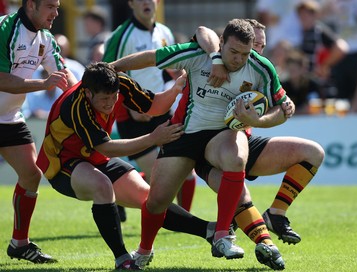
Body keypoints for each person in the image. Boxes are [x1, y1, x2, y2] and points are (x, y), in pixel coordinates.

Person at [111, 19, 288, 270]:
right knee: (156, 201)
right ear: (221, 43)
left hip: (222, 135)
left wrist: (258, 119)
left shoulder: (261, 68)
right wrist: (112, 67)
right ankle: (144, 250)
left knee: (236, 159)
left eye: (245, 54)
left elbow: (283, 108)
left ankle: (222, 235)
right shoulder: (199, 55)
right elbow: (153, 57)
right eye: (233, 52)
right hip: (184, 134)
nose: (239, 59)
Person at [35, 62, 219, 270]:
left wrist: (176, 89)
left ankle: (209, 230)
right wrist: (153, 138)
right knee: (102, 186)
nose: (111, 103)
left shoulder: (119, 83)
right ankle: (123, 259)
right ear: (87, 93)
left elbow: (154, 105)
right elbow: (107, 148)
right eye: (104, 98)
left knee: (150, 200)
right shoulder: (76, 104)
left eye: (113, 97)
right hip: (61, 164)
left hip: (94, 157)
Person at [194, 18, 323, 249]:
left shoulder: (259, 70)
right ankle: (265, 245)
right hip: (206, 152)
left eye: (262, 46)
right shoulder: (212, 62)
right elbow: (204, 30)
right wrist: (215, 58)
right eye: (254, 45)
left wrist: (281, 107)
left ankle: (276, 214)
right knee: (240, 194)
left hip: (243, 143)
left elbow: (282, 104)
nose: (258, 51)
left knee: (313, 152)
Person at [0, 0, 78, 264]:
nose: (56, 13)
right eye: (50, 7)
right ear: (31, 5)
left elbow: (64, 76)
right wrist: (43, 84)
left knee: (31, 175)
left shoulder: (45, 37)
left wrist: (85, 99)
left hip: (9, 118)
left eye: (57, 6)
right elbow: (1, 78)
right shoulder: (5, 29)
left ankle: (19, 244)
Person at [103, 0, 197, 213]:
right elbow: (105, 72)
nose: (147, 2)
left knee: (183, 171)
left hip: (160, 110)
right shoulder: (121, 35)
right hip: (132, 116)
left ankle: (185, 219)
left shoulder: (164, 32)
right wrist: (130, 105)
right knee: (161, 177)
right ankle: (118, 190)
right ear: (131, 3)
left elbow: (171, 68)